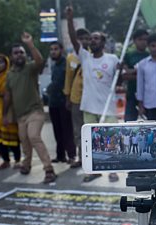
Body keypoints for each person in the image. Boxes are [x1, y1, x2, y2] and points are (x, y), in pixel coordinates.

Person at [67, 5, 119, 182]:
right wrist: (69, 19)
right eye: (91, 39)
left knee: (110, 140)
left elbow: (119, 81)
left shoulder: (112, 59)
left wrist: (123, 72)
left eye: (96, 39)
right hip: (88, 107)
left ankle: (113, 170)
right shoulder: (85, 57)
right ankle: (94, 170)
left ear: (103, 43)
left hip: (107, 107)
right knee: (90, 141)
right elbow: (74, 39)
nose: (93, 41)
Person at [3, 32, 56, 184]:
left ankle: (49, 169)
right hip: (21, 115)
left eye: (22, 52)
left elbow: (40, 61)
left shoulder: (30, 68)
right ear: (11, 57)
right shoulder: (10, 75)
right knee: (24, 141)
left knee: (33, 137)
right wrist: (4, 114)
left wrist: (30, 44)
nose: (19, 55)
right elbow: (7, 95)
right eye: (16, 53)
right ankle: (26, 164)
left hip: (35, 111)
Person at [63, 28, 91, 168]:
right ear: (77, 40)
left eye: (88, 38)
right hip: (76, 98)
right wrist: (67, 97)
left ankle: (92, 158)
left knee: (90, 129)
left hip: (91, 98)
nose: (85, 41)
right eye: (82, 39)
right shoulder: (70, 58)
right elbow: (68, 78)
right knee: (78, 130)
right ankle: (81, 158)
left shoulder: (92, 55)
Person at [0, 54, 21, 169]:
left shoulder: (9, 76)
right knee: (0, 139)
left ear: (6, 64)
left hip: (8, 108)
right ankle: (5, 160)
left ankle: (17, 160)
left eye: (1, 62)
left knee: (12, 137)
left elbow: (11, 92)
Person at [47, 41, 76, 164]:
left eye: (56, 49)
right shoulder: (54, 65)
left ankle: (71, 155)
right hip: (53, 102)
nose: (53, 51)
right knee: (57, 130)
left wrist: (68, 99)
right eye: (52, 49)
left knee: (67, 130)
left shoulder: (67, 64)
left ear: (61, 50)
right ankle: (60, 155)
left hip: (64, 102)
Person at [122, 29, 149, 121]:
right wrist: (139, 73)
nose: (143, 42)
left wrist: (134, 72)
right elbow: (124, 74)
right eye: (140, 39)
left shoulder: (150, 55)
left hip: (148, 95)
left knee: (150, 122)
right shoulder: (128, 55)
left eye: (145, 39)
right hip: (132, 93)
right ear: (134, 41)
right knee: (130, 122)